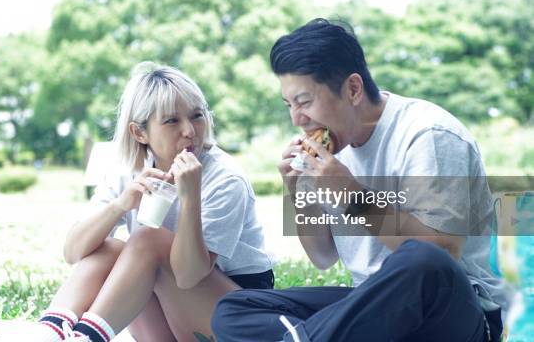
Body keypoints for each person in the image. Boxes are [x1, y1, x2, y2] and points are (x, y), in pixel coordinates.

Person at [211, 18, 509, 341]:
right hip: (370, 311)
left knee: (422, 259)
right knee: (234, 309)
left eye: (304, 102)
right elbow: (323, 257)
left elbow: (442, 253)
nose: (297, 119)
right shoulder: (332, 152)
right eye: (289, 105)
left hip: (453, 313)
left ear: (353, 89)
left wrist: (353, 196)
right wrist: (296, 191)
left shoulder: (427, 134)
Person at [36, 62, 273, 342]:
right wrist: (121, 205)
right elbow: (73, 252)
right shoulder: (127, 169)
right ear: (139, 133)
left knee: (148, 241)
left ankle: (85, 338)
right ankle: (49, 332)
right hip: (169, 302)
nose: (190, 130)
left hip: (239, 313)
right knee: (108, 247)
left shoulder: (225, 177)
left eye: (197, 116)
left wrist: (190, 196)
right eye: (172, 121)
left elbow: (188, 275)